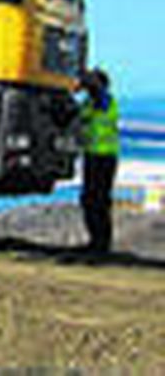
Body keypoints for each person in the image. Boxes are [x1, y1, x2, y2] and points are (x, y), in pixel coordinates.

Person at [78, 67, 120, 253]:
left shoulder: (106, 101)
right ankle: (96, 240)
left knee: (99, 200)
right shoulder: (89, 102)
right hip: (92, 155)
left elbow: (99, 97)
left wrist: (89, 82)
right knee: (90, 199)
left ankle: (101, 242)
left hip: (104, 157)